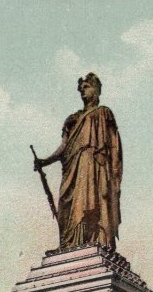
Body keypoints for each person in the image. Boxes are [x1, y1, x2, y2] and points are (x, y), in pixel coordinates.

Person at [33, 73, 122, 250]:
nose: (82, 91)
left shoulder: (103, 113)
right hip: (72, 167)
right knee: (67, 203)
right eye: (81, 88)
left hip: (93, 164)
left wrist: (111, 172)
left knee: (90, 202)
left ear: (96, 90)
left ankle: (95, 240)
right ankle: (69, 243)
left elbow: (114, 146)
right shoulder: (72, 119)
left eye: (87, 87)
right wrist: (45, 161)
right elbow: (64, 147)